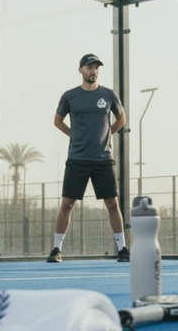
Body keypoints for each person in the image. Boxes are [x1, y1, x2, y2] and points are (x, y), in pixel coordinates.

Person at [47, 53, 129, 263]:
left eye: (96, 68)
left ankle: (122, 249)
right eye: (89, 67)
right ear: (80, 70)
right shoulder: (70, 96)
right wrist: (73, 135)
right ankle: (56, 249)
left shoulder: (109, 94)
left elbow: (121, 118)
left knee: (112, 203)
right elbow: (57, 121)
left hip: (103, 159)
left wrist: (107, 135)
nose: (93, 71)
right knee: (67, 203)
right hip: (77, 158)